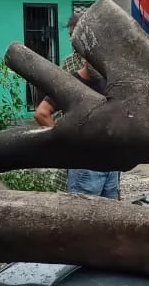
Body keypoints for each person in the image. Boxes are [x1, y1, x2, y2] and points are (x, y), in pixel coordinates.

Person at [34, 65, 120, 200]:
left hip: (111, 162)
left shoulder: (109, 82)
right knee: (83, 214)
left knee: (112, 215)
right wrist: (69, 144)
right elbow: (42, 113)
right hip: (85, 166)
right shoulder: (71, 83)